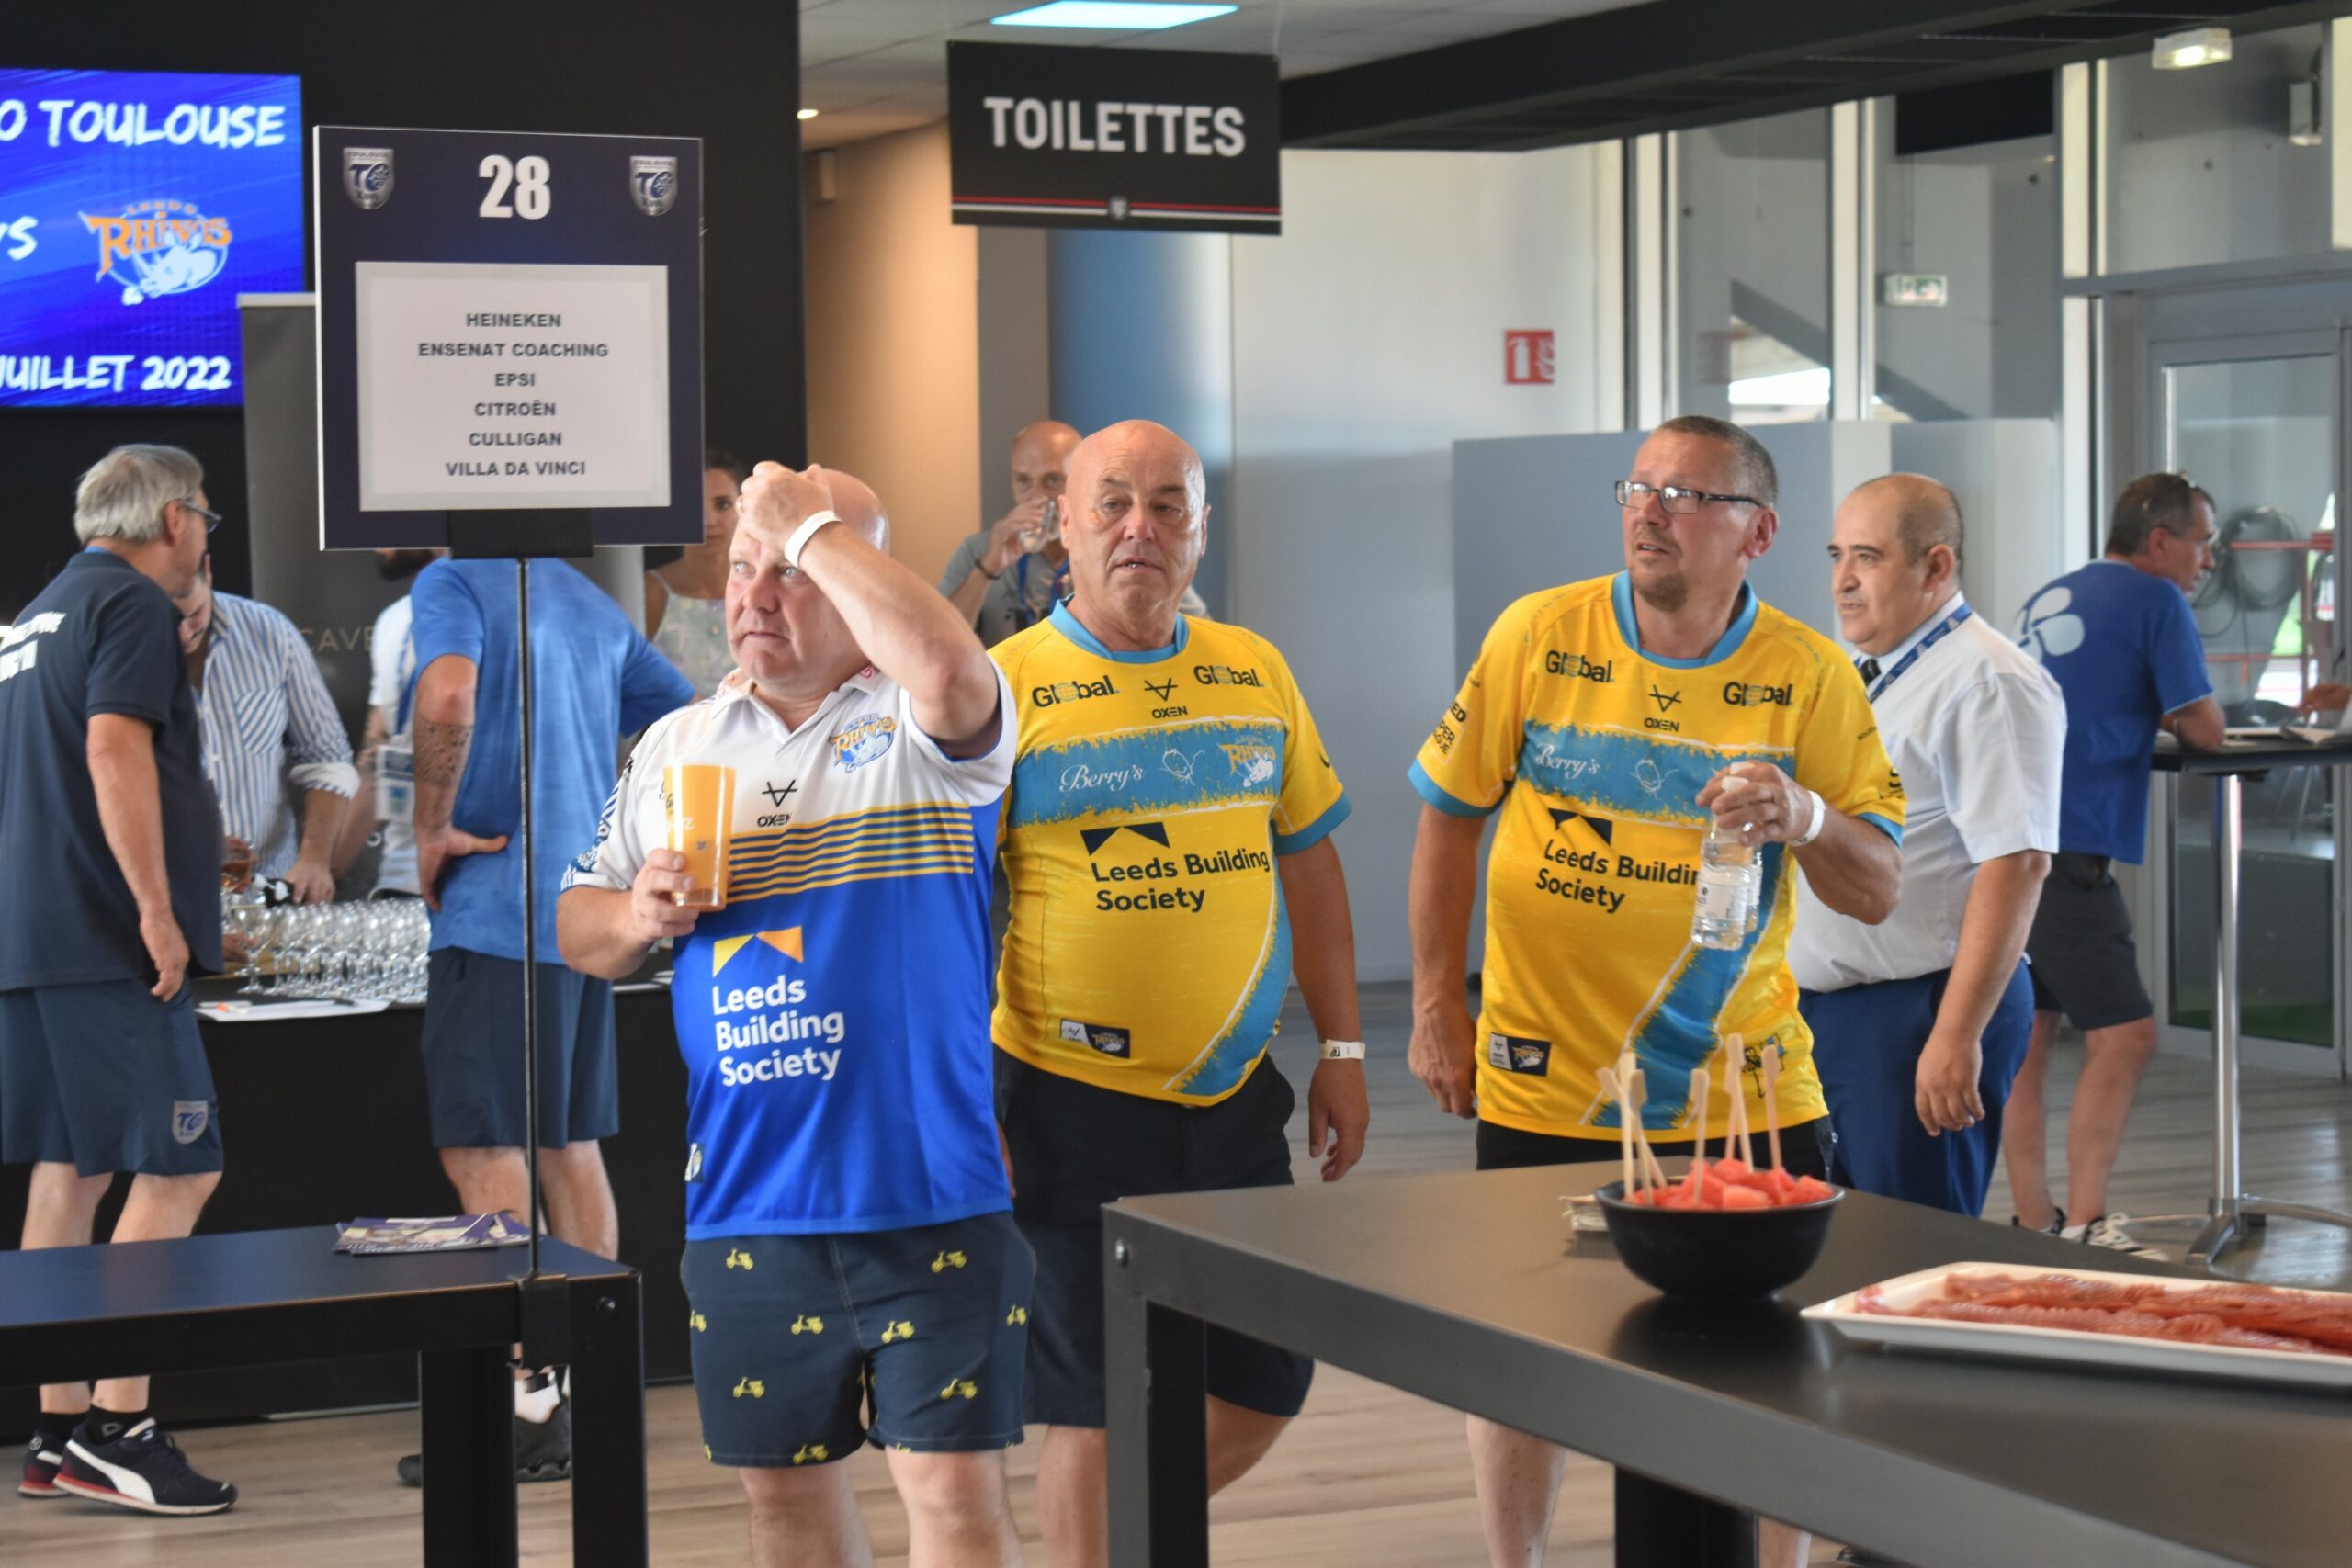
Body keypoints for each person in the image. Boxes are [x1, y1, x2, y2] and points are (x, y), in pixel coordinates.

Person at [1405, 414, 1904, 1568]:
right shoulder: (1539, 633)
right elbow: (1448, 817)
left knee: (1767, 1373)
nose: (1650, 512)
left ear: (1757, 532)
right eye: (1638, 489)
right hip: (1546, 1082)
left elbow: (1878, 887)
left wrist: (1806, 815)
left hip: (1741, 1091)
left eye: (1687, 497)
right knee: (1522, 1356)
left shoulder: (1808, 672)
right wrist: (1435, 1002)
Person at [562, 464, 1027, 1568]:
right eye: (742, 569)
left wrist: (803, 521)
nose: (756, 596)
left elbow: (948, 665)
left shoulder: (919, 721)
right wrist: (636, 914)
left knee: (954, 1501)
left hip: (931, 1193)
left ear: (859, 578)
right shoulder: (678, 745)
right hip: (748, 1204)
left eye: (795, 570)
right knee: (784, 1509)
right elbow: (577, 927)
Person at [989, 418, 1368, 1568]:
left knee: (1265, 1381)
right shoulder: (1003, 688)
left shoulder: (1254, 670)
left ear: (1201, 530)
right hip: (1065, 1101)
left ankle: (1122, 1544)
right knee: (1096, 1403)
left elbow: (1309, 860)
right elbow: (950, 912)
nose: (1138, 528)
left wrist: (1344, 1052)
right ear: (1063, 524)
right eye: (1111, 503)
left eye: (1166, 506)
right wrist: (963, 1100)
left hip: (1233, 1099)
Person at [394, 549, 694, 1483]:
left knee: (483, 1149)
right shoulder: (582, 596)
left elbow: (448, 691)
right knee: (567, 1146)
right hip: (582, 915)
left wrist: (430, 824)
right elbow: (683, 716)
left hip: (495, 912)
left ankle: (527, 1404)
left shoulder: (454, 583)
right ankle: (583, 1387)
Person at [1, 444, 235, 1514]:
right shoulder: (130, 603)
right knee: (180, 1168)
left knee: (71, 1171)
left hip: (36, 936)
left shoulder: (36, 615)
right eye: (206, 521)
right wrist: (156, 908)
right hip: (106, 939)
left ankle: (56, 1429)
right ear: (175, 518)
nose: (206, 540)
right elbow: (111, 751)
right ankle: (117, 1427)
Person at [1791, 475, 2064, 1217]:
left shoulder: (1990, 681)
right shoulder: (1863, 672)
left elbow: (2019, 862)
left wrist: (1956, 1033)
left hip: (1919, 1014)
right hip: (1831, 1017)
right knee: (1834, 1245)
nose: (1843, 580)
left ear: (1935, 565)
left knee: (1907, 1245)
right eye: (1837, 555)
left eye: (1868, 556)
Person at [2004, 471, 2225, 1255]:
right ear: (2159, 541)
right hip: (2067, 846)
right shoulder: (2157, 599)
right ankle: (2088, 1225)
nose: (2207, 560)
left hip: (2008, 836)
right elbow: (2205, 728)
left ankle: (2036, 1219)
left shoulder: (2055, 591)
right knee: (2126, 1036)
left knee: (2029, 1033)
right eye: (2202, 542)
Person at [169, 553, 357, 903]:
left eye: (193, 614)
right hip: (175, 902)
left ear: (208, 572)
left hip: (270, 893)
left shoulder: (270, 632)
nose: (183, 633)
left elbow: (327, 757)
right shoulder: (123, 650)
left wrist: (315, 859)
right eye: (170, 618)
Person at [334, 547, 445, 897]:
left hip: (487, 882)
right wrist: (327, 872)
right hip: (401, 878)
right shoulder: (394, 621)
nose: (373, 539)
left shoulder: (514, 611)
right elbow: (376, 760)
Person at [941, 420, 1081, 648]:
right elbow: (941, 642)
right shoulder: (978, 551)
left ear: (1082, 482)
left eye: (1053, 480)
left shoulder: (1104, 550)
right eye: (1024, 481)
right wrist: (988, 567)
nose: (1037, 497)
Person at [645, 448, 748, 696]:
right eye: (693, 505)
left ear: (744, 508)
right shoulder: (649, 594)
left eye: (722, 504)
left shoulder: (764, 590)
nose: (709, 520)